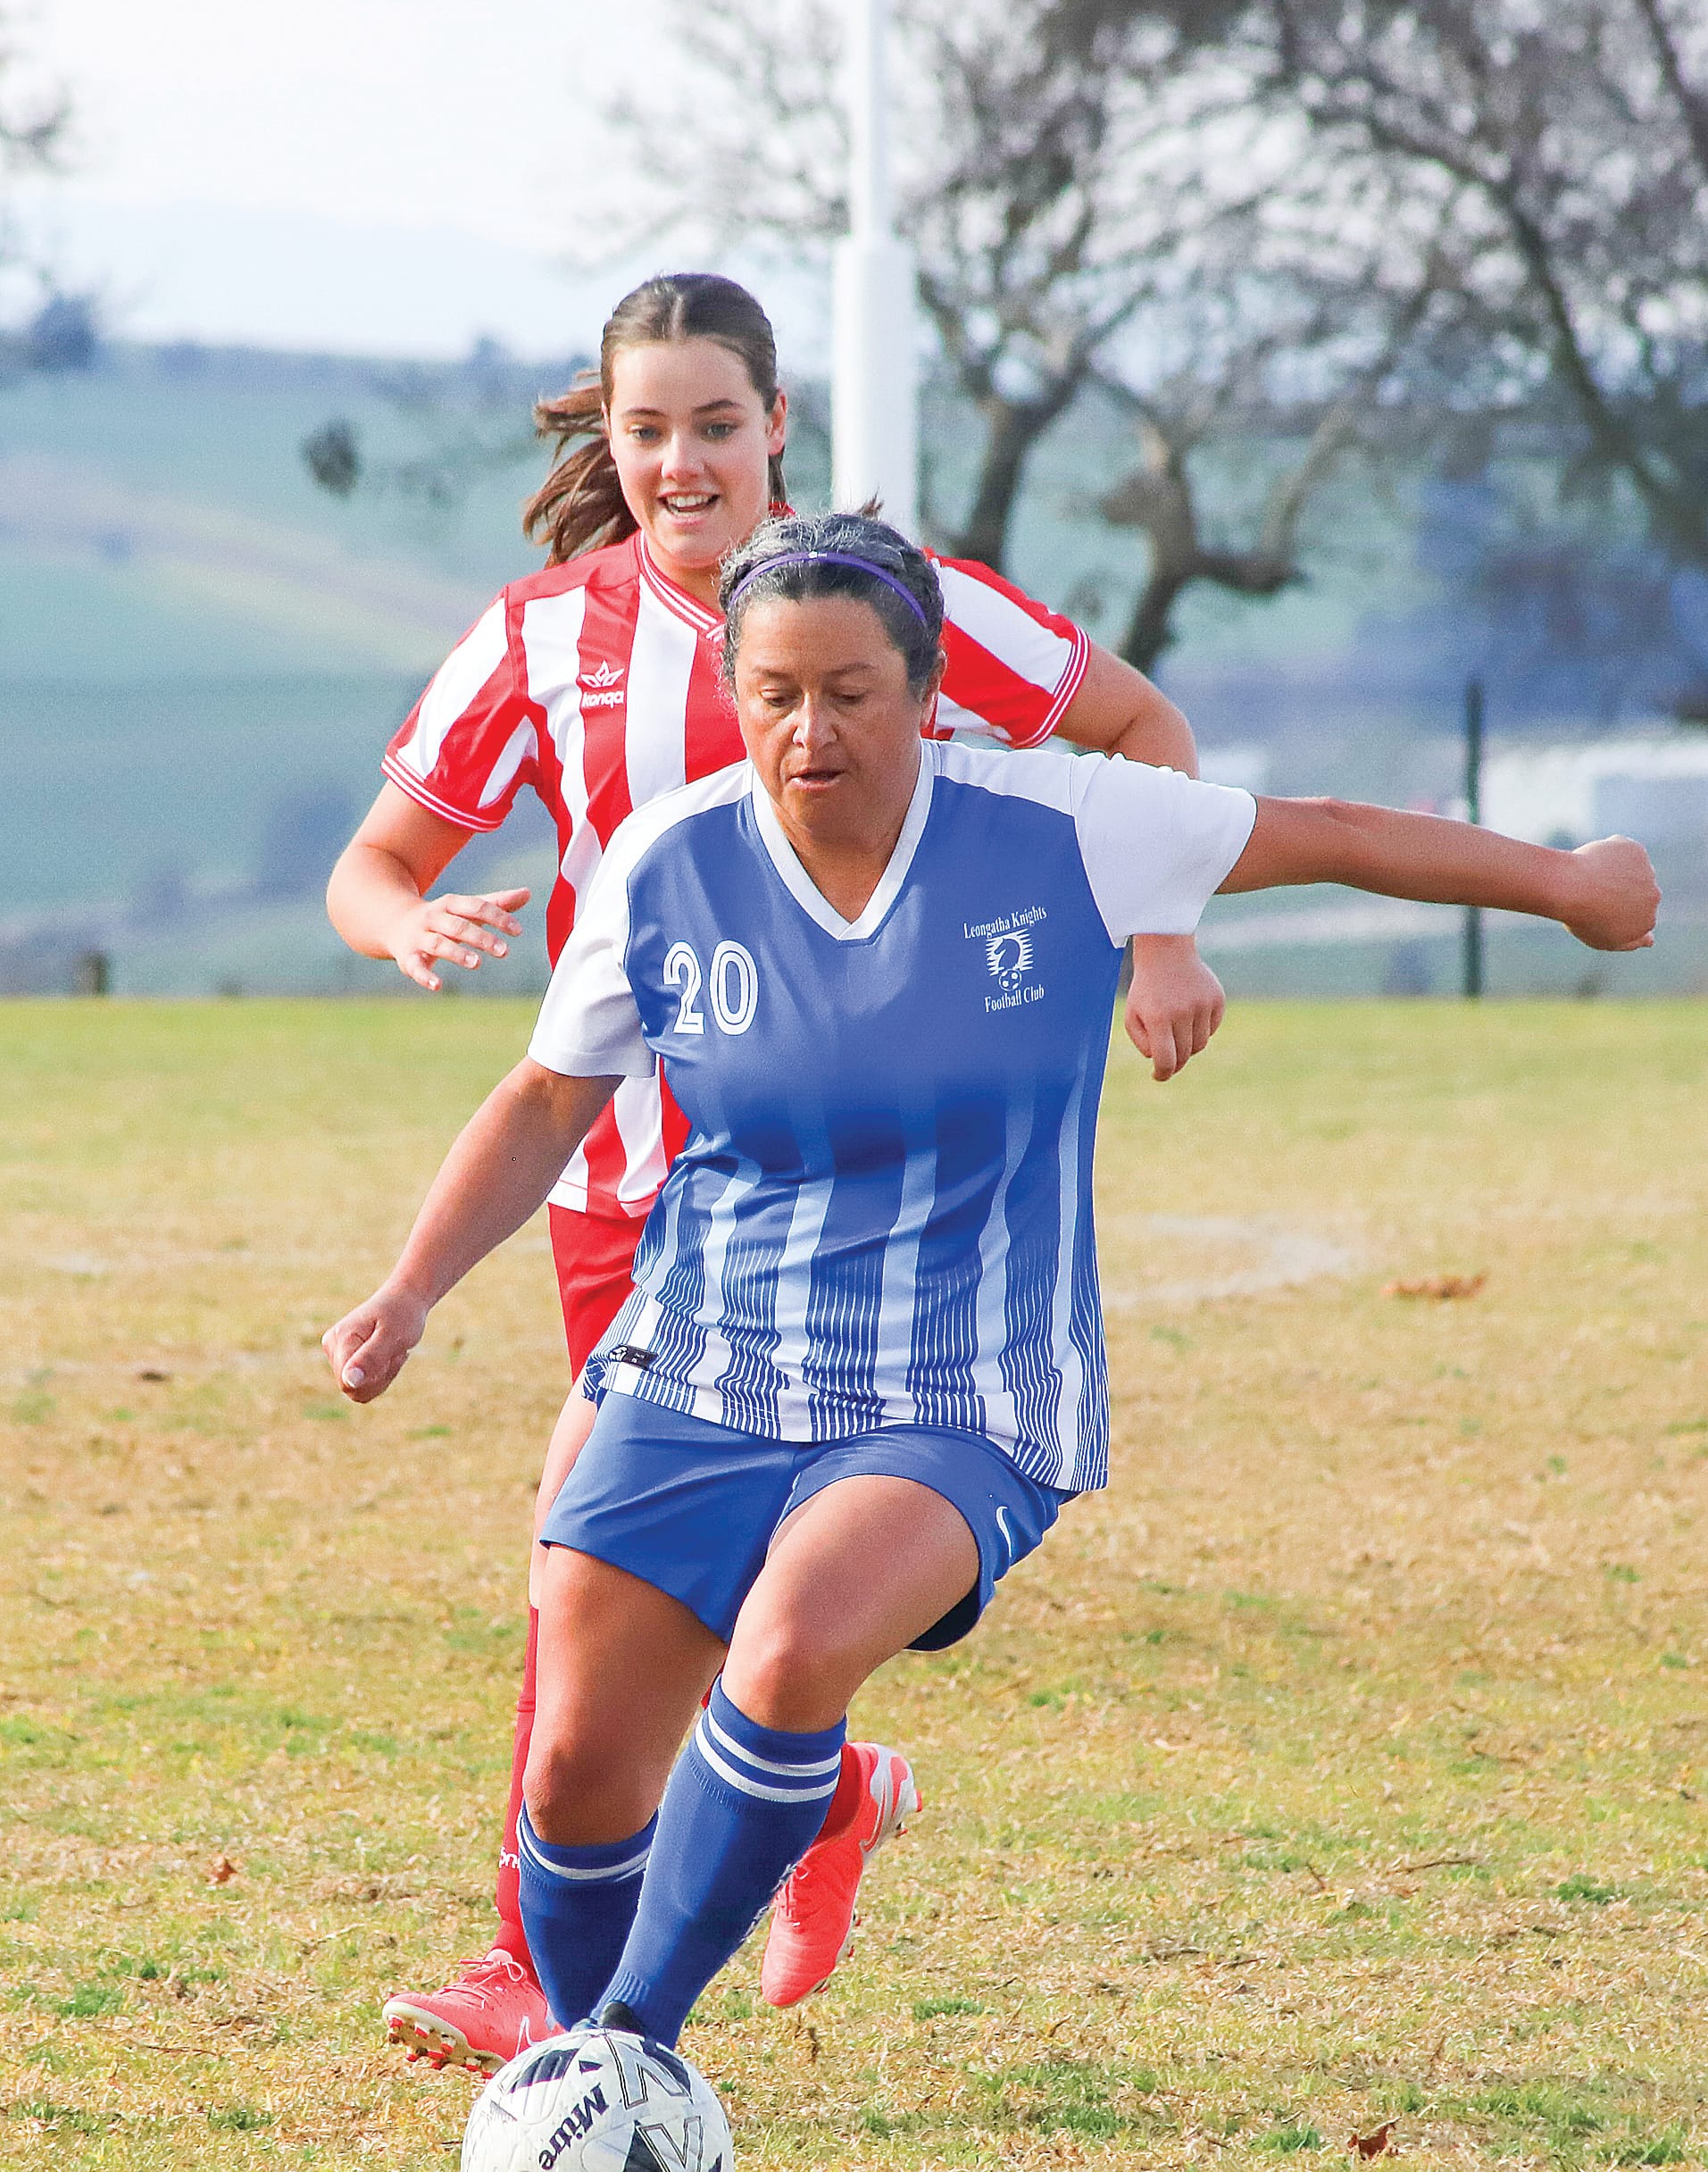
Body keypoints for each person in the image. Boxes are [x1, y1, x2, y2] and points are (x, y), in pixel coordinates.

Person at [321, 510, 1657, 2057]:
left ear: (927, 686)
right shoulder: (667, 861)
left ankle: (622, 2052)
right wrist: (410, 1290)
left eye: (849, 692)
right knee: (570, 1770)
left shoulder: (1064, 822)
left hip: (965, 1382)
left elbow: (1339, 831)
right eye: (770, 694)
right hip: (704, 1356)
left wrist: (1567, 882)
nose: (806, 731)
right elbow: (546, 1102)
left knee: (798, 1637)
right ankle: (588, 2045)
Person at [325, 272, 1226, 2076]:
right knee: (589, 1572)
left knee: (722, 1584)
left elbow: (1143, 745)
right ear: (607, 435)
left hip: (864, 1179)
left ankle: (604, 1977)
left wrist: (1159, 936)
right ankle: (655, 1918)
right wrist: (404, 920)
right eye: (646, 429)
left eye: (715, 424)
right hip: (634, 1184)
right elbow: (374, 859)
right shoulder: (537, 641)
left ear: (776, 426)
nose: (681, 461)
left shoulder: (900, 603)